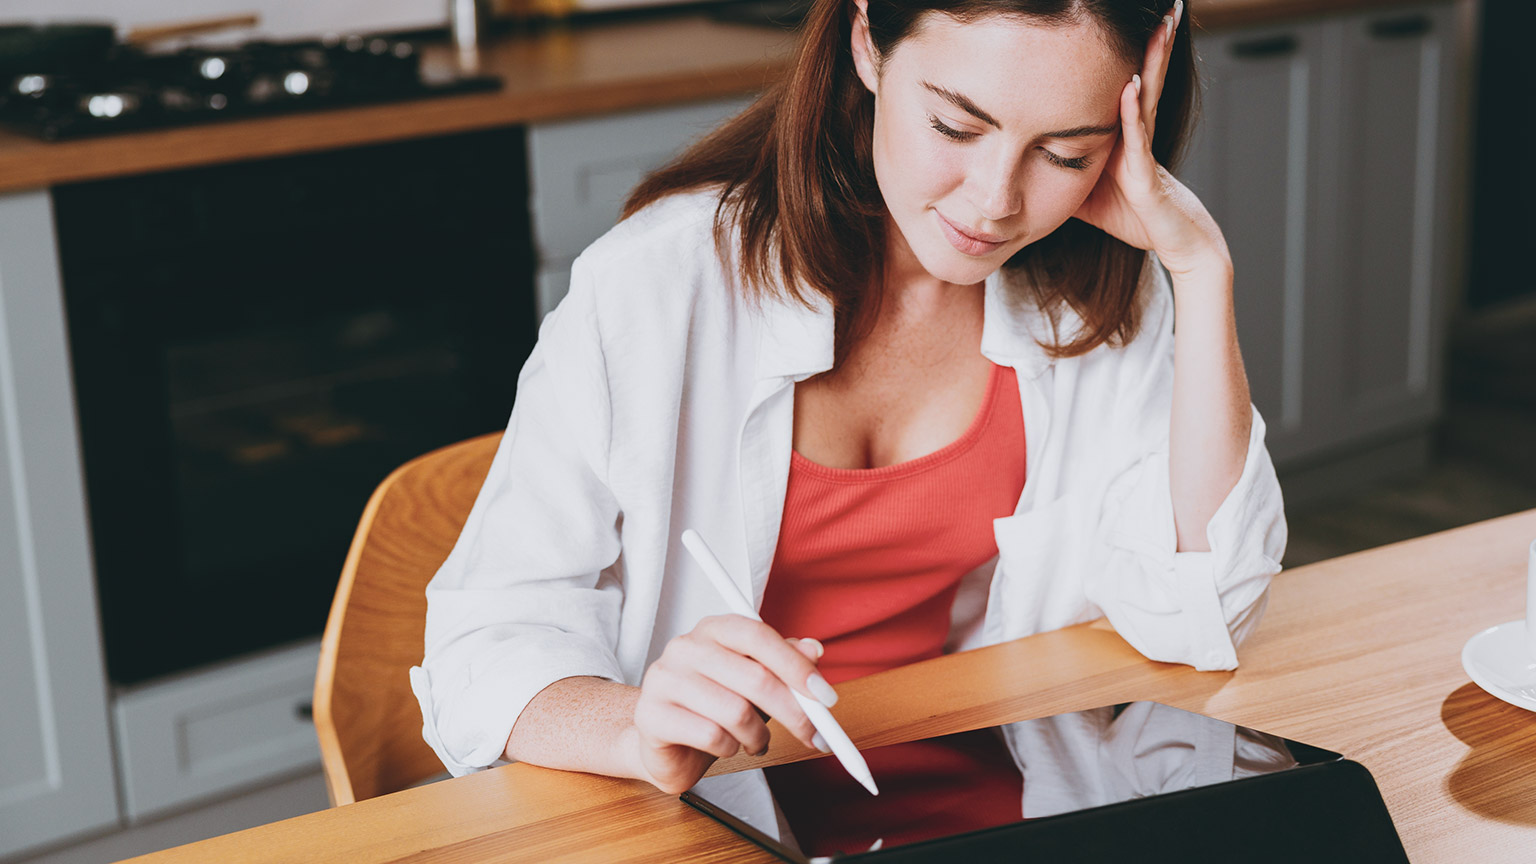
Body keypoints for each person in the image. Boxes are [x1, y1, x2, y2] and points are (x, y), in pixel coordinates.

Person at [410, 0, 1286, 805]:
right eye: (954, 124)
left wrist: (1199, 269)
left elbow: (1205, 606)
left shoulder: (1094, 302)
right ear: (866, 40)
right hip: (713, 816)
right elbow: (484, 644)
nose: (995, 201)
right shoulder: (657, 284)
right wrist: (637, 728)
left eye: (1067, 154)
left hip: (991, 802)